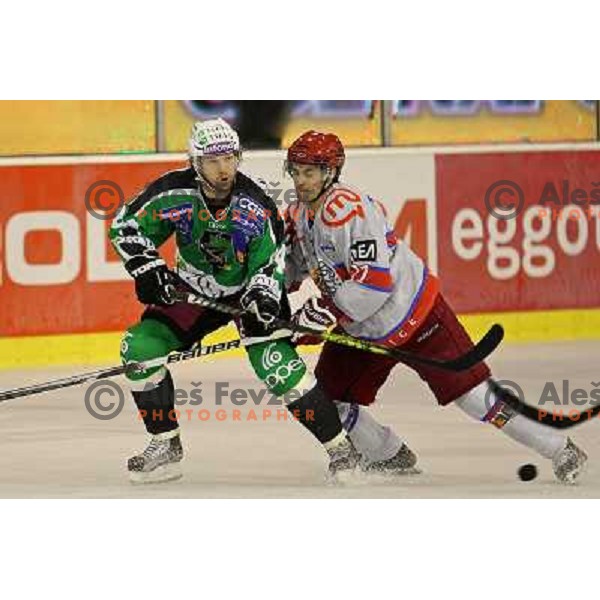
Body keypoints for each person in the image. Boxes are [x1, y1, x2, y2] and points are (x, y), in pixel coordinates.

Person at [108, 118, 412, 484]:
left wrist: (264, 299)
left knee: (280, 370)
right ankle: (165, 443)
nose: (223, 169)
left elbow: (270, 264)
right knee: (139, 349)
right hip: (194, 292)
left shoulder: (258, 206)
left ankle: (342, 452)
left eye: (230, 158)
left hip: (248, 295)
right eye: (213, 160)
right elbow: (126, 226)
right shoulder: (171, 192)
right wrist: (148, 268)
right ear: (195, 163)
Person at [282, 129, 588, 484]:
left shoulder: (350, 213)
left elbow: (373, 290)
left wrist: (318, 316)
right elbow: (292, 269)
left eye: (311, 172)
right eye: (297, 171)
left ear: (331, 173)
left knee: (476, 399)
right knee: (325, 400)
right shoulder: (302, 217)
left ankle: (560, 447)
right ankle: (388, 453)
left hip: (416, 315)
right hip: (366, 331)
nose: (301, 180)